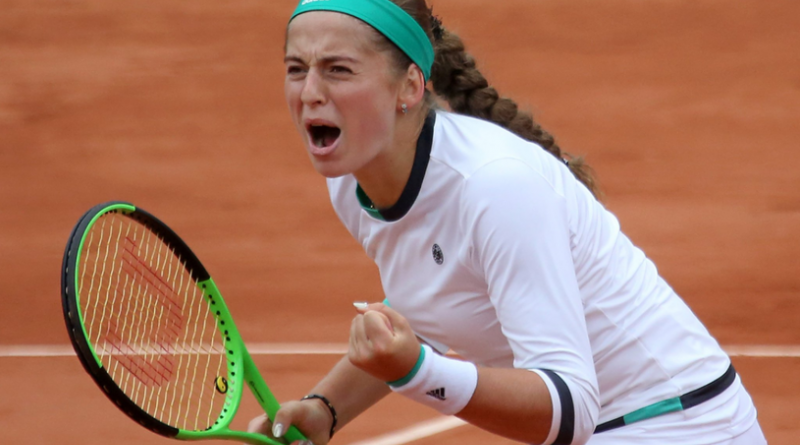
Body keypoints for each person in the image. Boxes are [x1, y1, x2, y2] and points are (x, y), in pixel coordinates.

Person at [249, 0, 767, 444]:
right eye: (296, 69)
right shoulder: (351, 181)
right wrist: (325, 408)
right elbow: (428, 307)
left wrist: (418, 372)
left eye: (338, 69)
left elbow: (569, 408)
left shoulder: (494, 185)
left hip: (680, 424)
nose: (309, 92)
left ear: (409, 86)